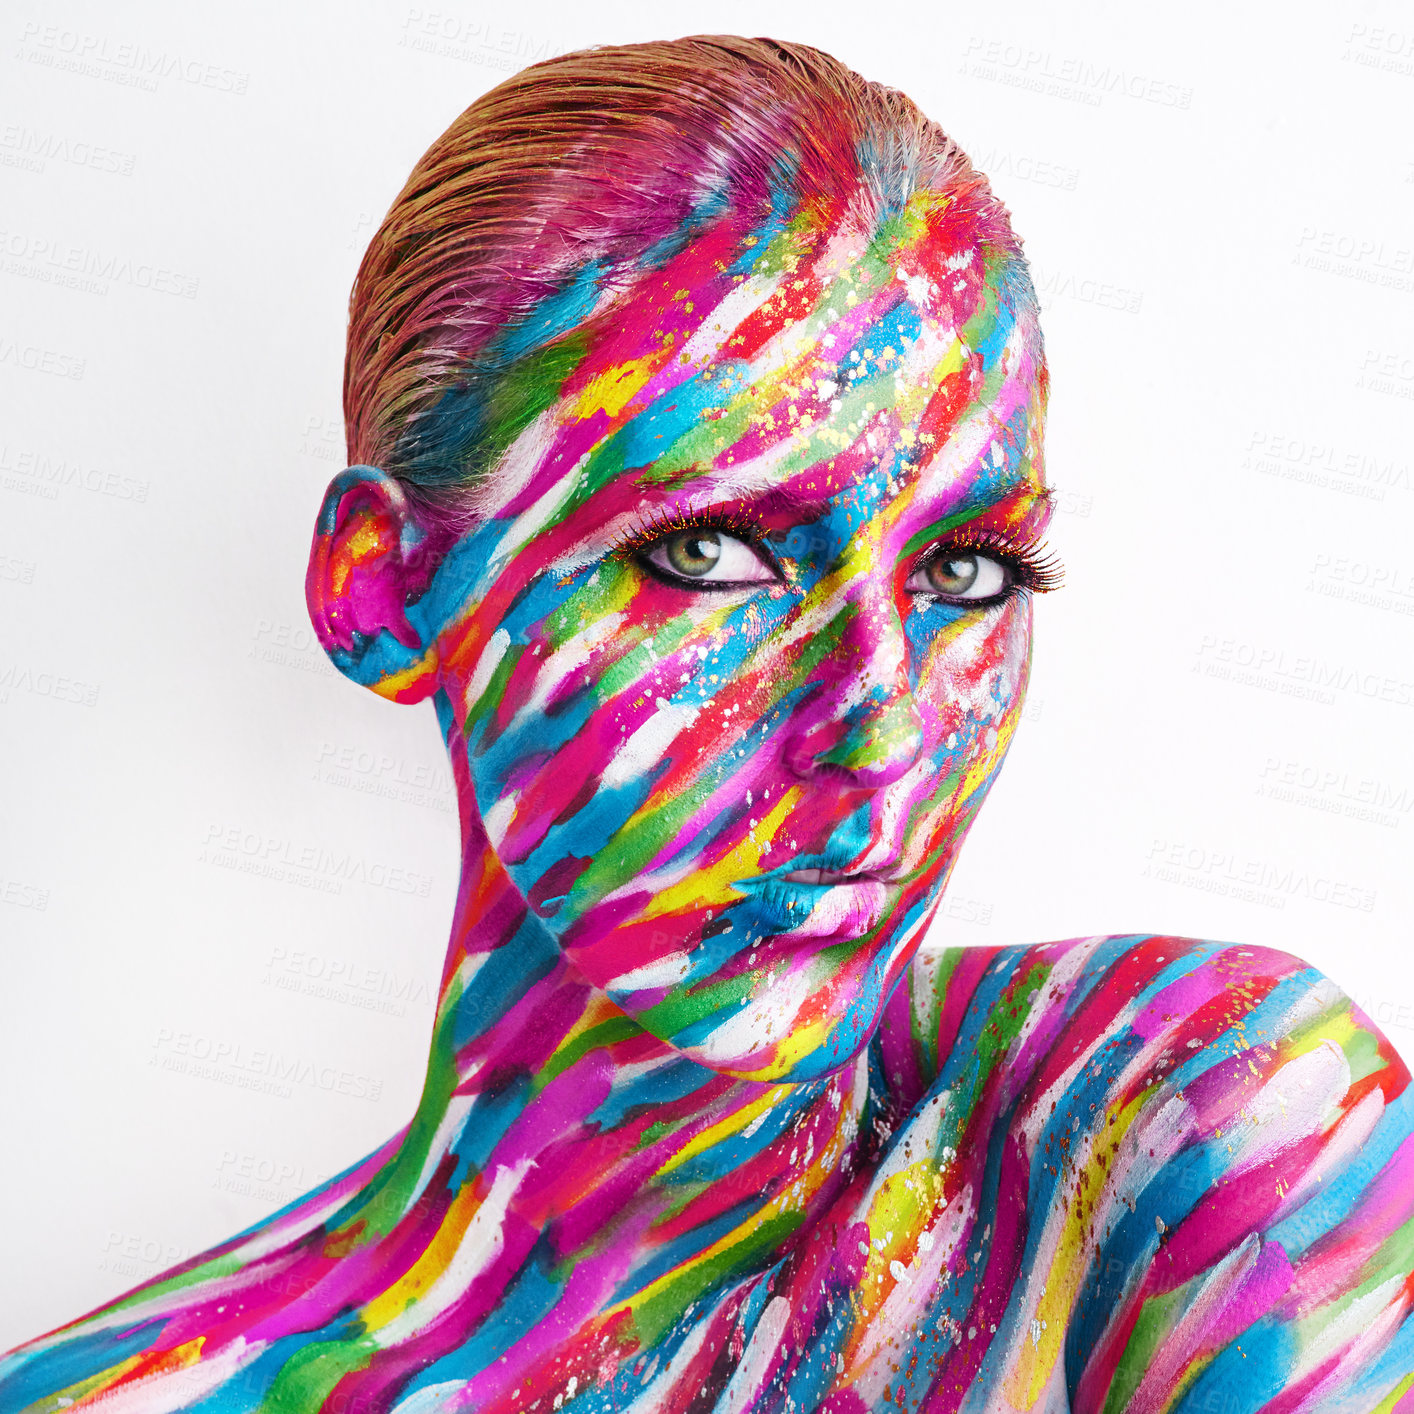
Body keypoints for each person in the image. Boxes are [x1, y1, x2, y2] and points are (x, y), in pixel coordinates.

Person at [1, 34, 1410, 1414]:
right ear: (382, 590)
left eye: (965, 571)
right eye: (713, 557)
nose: (882, 729)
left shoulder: (1188, 1125)